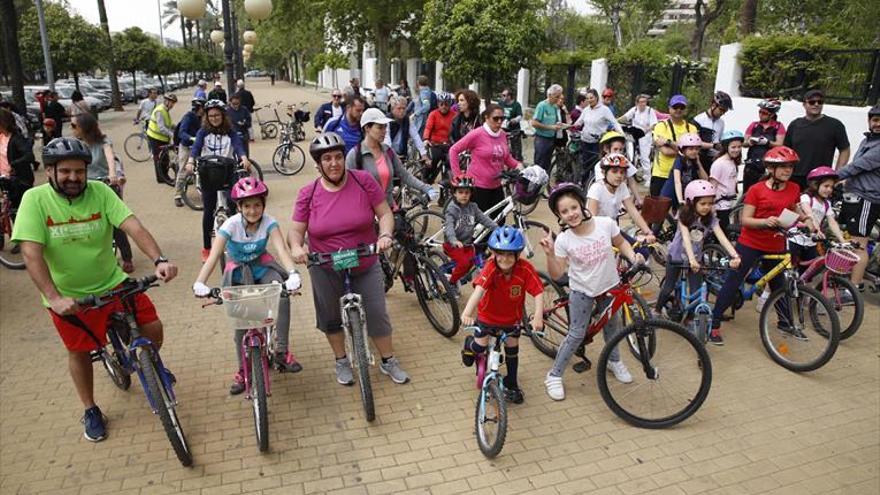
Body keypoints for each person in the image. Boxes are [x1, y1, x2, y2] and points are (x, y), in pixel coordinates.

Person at [12, 136, 179, 442]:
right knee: (79, 352)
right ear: (49, 171)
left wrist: (160, 259)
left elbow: (133, 226)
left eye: (79, 171)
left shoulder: (101, 192)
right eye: (65, 171)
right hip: (70, 296)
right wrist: (54, 298)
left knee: (152, 327)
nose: (73, 178)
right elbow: (30, 254)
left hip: (113, 282)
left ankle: (150, 365)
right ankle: (90, 409)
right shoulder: (34, 200)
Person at [289, 132, 411, 386]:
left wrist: (385, 235)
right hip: (325, 264)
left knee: (377, 313)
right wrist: (297, 247)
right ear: (318, 164)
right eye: (327, 159)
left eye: (338, 157)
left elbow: (385, 213)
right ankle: (341, 359)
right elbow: (296, 230)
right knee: (330, 315)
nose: (333, 163)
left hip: (364, 259)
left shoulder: (364, 181)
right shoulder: (307, 193)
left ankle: (388, 360)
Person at [193, 177, 304, 394]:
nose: (253, 210)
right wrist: (200, 282)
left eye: (257, 205)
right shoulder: (230, 225)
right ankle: (243, 370)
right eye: (247, 206)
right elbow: (214, 256)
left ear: (263, 205)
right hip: (237, 272)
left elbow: (281, 249)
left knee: (282, 291)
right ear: (239, 207)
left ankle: (281, 351)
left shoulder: (269, 222)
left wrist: (293, 273)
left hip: (262, 267)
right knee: (240, 324)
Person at [540, 183, 643, 401]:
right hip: (582, 292)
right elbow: (558, 273)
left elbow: (621, 243)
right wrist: (550, 254)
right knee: (576, 334)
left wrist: (634, 257)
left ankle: (614, 361)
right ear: (559, 216)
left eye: (573, 207)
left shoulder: (605, 224)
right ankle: (554, 375)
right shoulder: (565, 240)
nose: (571, 214)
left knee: (612, 328)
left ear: (582, 205)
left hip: (609, 287)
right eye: (564, 211)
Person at [708, 146, 819, 344]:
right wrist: (764, 222)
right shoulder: (756, 190)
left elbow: (793, 210)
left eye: (790, 167)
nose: (788, 171)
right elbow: (745, 220)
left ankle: (785, 323)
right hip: (751, 242)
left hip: (776, 244)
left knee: (779, 285)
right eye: (783, 167)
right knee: (733, 282)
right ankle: (713, 323)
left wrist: (807, 220)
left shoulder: (793, 188)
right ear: (770, 168)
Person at [460, 226, 543, 404]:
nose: (505, 259)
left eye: (510, 254)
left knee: (513, 349)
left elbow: (538, 292)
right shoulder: (490, 268)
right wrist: (467, 313)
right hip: (487, 317)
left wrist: (538, 316)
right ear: (494, 253)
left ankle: (512, 383)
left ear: (517, 254)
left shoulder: (525, 269)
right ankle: (469, 345)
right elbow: (479, 291)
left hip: (511, 320)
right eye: (500, 254)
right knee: (479, 347)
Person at [655, 180, 740, 316]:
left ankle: (691, 318)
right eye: (703, 203)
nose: (707, 207)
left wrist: (735, 255)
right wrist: (691, 260)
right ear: (691, 202)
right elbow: (686, 239)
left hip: (695, 258)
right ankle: (657, 310)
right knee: (668, 287)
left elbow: (722, 238)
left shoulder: (711, 219)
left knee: (696, 290)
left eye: (710, 203)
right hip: (677, 256)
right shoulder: (684, 216)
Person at [185, 99, 253, 262]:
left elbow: (238, 146)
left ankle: (238, 242)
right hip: (208, 172)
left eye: (217, 115)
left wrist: (244, 157)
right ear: (206, 117)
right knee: (208, 211)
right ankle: (207, 248)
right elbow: (196, 148)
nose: (214, 118)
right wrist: (190, 160)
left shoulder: (230, 131)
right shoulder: (203, 132)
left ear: (223, 115)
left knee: (233, 205)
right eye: (211, 116)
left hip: (227, 172)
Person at [71, 113, 134, 273]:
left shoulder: (103, 142)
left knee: (116, 223)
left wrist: (113, 174)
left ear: (84, 127)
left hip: (106, 184)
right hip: (86, 187)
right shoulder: (76, 144)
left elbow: (110, 157)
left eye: (74, 126)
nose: (72, 129)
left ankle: (127, 257)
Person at [346, 107, 437, 206]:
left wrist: (426, 188)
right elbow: (347, 188)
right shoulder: (355, 155)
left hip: (388, 208)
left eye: (385, 127)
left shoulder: (388, 151)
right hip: (365, 212)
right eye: (380, 127)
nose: (384, 131)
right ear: (367, 128)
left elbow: (405, 176)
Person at [836, 105, 880, 291]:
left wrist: (829, 177)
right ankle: (849, 279)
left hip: (867, 200)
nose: (878, 124)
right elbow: (855, 167)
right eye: (875, 120)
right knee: (850, 240)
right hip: (854, 196)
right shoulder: (867, 141)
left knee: (859, 244)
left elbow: (857, 166)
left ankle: (853, 287)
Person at [449, 104, 522, 214]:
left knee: (498, 223)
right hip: (479, 187)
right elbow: (453, 150)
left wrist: (519, 166)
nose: (499, 122)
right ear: (486, 118)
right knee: (480, 226)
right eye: (495, 118)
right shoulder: (477, 134)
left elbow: (506, 157)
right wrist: (458, 175)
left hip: (497, 186)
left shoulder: (502, 134)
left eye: (502, 118)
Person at [784, 89, 850, 190]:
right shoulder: (795, 125)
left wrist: (837, 174)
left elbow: (845, 149)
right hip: (794, 177)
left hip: (820, 178)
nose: (816, 104)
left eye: (820, 102)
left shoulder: (835, 125)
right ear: (804, 104)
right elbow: (786, 150)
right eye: (811, 102)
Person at [442, 174, 497, 289]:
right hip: (452, 244)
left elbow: (483, 218)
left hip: (466, 243)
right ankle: (451, 283)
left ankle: (458, 275)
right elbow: (449, 226)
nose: (464, 195)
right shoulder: (452, 209)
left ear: (471, 194)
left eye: (467, 192)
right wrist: (453, 240)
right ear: (454, 193)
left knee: (473, 260)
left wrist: (497, 228)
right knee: (464, 263)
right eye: (460, 192)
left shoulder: (473, 207)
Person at [586, 153, 654, 242]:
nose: (619, 175)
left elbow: (633, 212)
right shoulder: (597, 188)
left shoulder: (622, 187)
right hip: (596, 233)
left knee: (641, 251)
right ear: (604, 173)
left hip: (612, 230)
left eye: (622, 172)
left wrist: (648, 232)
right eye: (614, 171)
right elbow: (592, 219)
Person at [650, 94, 699, 197]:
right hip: (662, 174)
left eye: (682, 107)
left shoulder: (691, 128)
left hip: (684, 174)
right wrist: (685, 150)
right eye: (675, 107)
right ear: (669, 108)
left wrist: (669, 142)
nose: (678, 110)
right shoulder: (661, 126)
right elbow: (665, 152)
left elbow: (693, 152)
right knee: (658, 208)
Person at [572, 89, 623, 178]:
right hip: (585, 140)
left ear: (597, 97)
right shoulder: (586, 110)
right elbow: (578, 123)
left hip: (597, 142)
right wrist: (568, 126)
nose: (589, 100)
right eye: (587, 98)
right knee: (585, 165)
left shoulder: (604, 110)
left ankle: (594, 184)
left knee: (596, 166)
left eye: (591, 98)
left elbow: (614, 122)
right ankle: (583, 185)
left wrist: (621, 134)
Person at [743, 99, 786, 194]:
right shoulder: (754, 125)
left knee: (766, 192)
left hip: (768, 165)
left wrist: (767, 143)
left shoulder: (778, 126)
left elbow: (780, 144)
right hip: (752, 163)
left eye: (764, 113)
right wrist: (750, 142)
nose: (761, 115)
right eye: (760, 112)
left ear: (772, 115)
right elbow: (744, 142)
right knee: (748, 192)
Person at [709, 130, 745, 232]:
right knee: (722, 234)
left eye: (739, 147)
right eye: (733, 147)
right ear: (726, 147)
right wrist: (711, 206)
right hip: (720, 206)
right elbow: (712, 186)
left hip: (729, 204)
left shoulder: (732, 161)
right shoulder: (719, 163)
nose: (737, 150)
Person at [173, 98, 206, 207]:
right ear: (198, 108)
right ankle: (177, 195)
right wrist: (191, 138)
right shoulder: (188, 117)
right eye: (203, 107)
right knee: (183, 169)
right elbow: (181, 133)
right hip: (186, 146)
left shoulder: (202, 117)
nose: (204, 110)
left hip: (197, 146)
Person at [660, 133, 708, 209]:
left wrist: (699, 164)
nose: (694, 151)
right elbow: (677, 181)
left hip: (684, 193)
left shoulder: (694, 161)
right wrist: (680, 200)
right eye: (691, 149)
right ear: (683, 150)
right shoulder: (679, 160)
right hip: (671, 192)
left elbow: (705, 179)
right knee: (661, 215)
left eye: (696, 149)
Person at [0, 107, 35, 210]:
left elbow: (29, 156)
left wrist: (13, 164)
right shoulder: (1, 137)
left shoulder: (16, 139)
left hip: (18, 182)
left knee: (20, 210)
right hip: (4, 181)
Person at [619, 94, 658, 179]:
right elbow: (625, 117)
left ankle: (648, 177)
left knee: (644, 156)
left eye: (644, 102)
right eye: (641, 102)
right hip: (634, 134)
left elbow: (654, 124)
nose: (643, 104)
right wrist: (615, 121)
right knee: (629, 152)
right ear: (637, 103)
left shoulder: (650, 111)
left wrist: (645, 131)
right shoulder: (634, 109)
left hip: (645, 135)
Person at [422, 92, 457, 184]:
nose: (444, 106)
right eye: (441, 104)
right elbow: (428, 128)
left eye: (446, 104)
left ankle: (446, 186)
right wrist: (426, 139)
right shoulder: (433, 114)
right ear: (438, 104)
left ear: (450, 104)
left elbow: (457, 130)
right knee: (433, 160)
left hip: (449, 145)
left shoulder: (454, 115)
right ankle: (425, 179)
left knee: (451, 163)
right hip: (435, 144)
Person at [531, 84, 566, 174]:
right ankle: (535, 186)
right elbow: (534, 123)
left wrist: (559, 124)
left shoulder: (554, 107)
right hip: (541, 139)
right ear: (549, 95)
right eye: (556, 97)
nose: (558, 99)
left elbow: (554, 122)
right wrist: (550, 127)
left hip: (551, 139)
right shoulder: (542, 105)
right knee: (539, 166)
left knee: (547, 165)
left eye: (559, 96)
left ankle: (544, 185)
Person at [693, 91, 732, 166]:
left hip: (715, 160)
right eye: (721, 110)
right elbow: (694, 143)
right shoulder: (698, 119)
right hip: (700, 158)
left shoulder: (721, 123)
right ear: (714, 105)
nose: (722, 113)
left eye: (725, 111)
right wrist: (713, 146)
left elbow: (719, 140)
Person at [385, 96, 428, 162]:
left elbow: (416, 136)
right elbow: (386, 140)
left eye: (404, 108)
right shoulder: (387, 120)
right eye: (399, 108)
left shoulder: (407, 120)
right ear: (392, 109)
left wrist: (423, 154)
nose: (402, 111)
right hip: (388, 154)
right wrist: (393, 155)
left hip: (402, 154)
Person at [146, 93, 177, 183]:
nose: (172, 105)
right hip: (155, 138)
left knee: (165, 158)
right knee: (159, 159)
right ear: (166, 101)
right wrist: (172, 134)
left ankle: (163, 176)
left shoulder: (165, 110)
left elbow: (168, 124)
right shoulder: (160, 111)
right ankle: (162, 178)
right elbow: (162, 128)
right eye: (171, 103)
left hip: (162, 139)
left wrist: (177, 127)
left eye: (173, 103)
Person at [498, 88, 524, 161]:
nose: (502, 97)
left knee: (516, 149)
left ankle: (517, 162)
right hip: (502, 128)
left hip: (514, 129)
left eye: (504, 95)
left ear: (509, 96)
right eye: (502, 95)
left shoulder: (516, 105)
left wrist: (515, 120)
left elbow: (520, 116)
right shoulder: (501, 103)